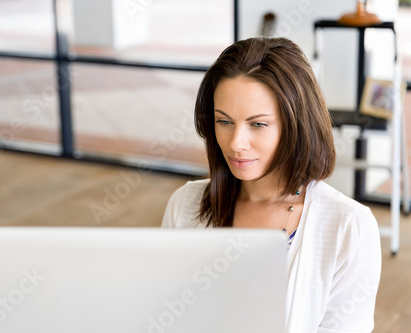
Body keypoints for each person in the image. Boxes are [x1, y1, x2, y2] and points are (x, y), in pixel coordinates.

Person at [161, 37, 381, 332]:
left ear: (297, 126)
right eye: (224, 121)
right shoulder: (184, 204)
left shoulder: (348, 227)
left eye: (258, 124)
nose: (236, 143)